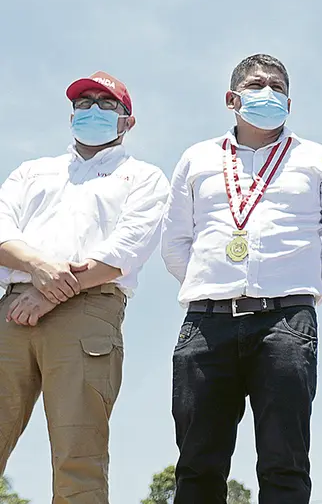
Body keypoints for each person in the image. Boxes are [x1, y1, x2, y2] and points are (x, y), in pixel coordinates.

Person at [160, 53, 322, 503]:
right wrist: (214, 286)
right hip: (205, 326)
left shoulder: (317, 159)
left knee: (284, 462)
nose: (266, 92)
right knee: (197, 464)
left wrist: (296, 292)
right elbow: (176, 245)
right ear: (232, 98)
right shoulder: (196, 159)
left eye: (277, 86)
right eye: (256, 84)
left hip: (286, 325)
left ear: (289, 104)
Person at [0, 71, 169, 503]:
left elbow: (124, 250)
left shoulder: (144, 178)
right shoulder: (32, 172)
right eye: (84, 102)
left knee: (79, 454)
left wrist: (48, 291)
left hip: (89, 311)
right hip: (12, 310)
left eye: (105, 103)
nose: (92, 110)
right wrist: (38, 270)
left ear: (127, 121)